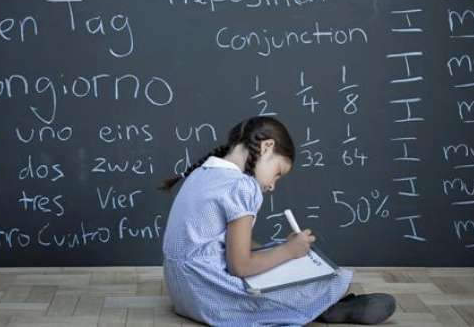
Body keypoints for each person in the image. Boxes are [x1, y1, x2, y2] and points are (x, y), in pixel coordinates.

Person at [159, 115, 396, 326]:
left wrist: (279, 249)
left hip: (182, 294)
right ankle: (331, 304)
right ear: (267, 147)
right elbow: (239, 266)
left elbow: (215, 241)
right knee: (320, 278)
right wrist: (289, 252)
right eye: (278, 172)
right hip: (211, 296)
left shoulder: (202, 173)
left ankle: (326, 303)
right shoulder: (242, 186)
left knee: (268, 250)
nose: (272, 185)